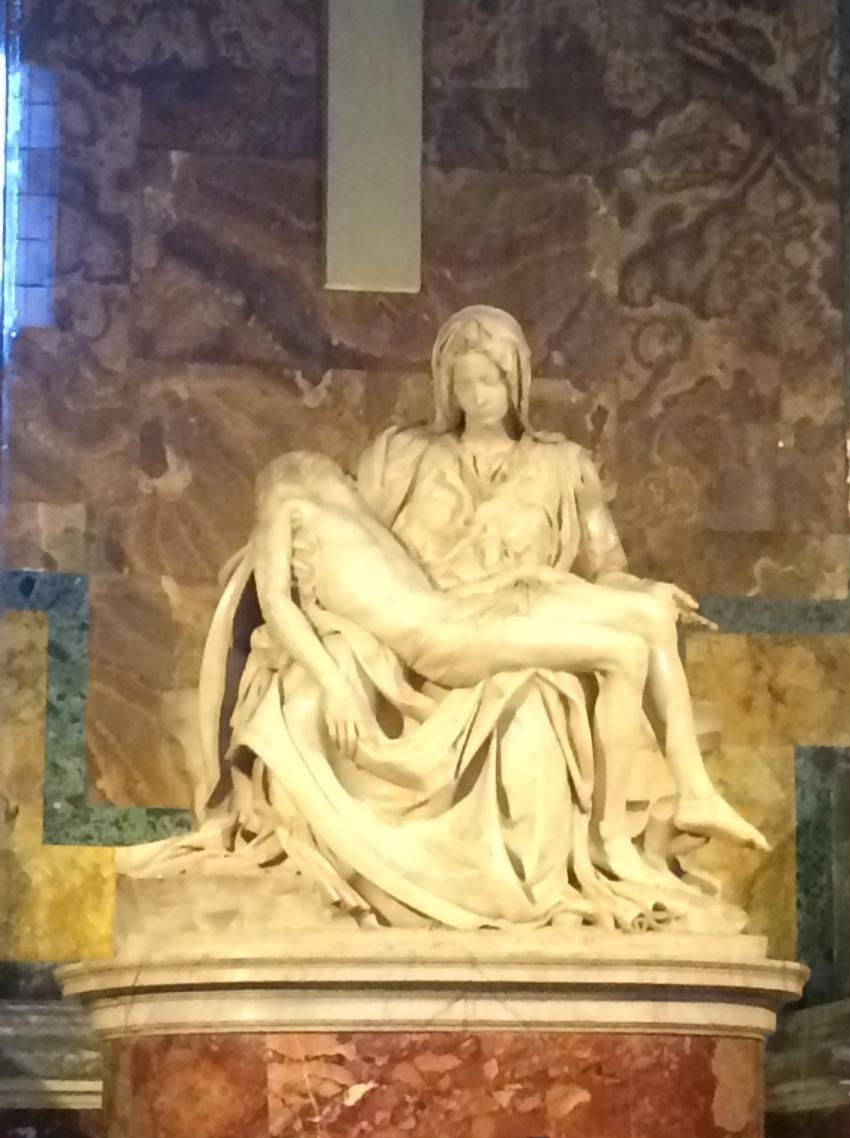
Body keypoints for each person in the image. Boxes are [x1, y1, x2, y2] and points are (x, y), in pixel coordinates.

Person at [125, 306, 766, 934]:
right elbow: (350, 547)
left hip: (521, 606)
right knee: (548, 690)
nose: (477, 395)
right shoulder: (398, 455)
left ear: (516, 381)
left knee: (629, 627)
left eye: (491, 380)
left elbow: (606, 569)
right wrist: (308, 629)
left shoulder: (565, 466)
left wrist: (646, 588)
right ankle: (618, 835)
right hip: (430, 640)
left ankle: (663, 812)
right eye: (463, 382)